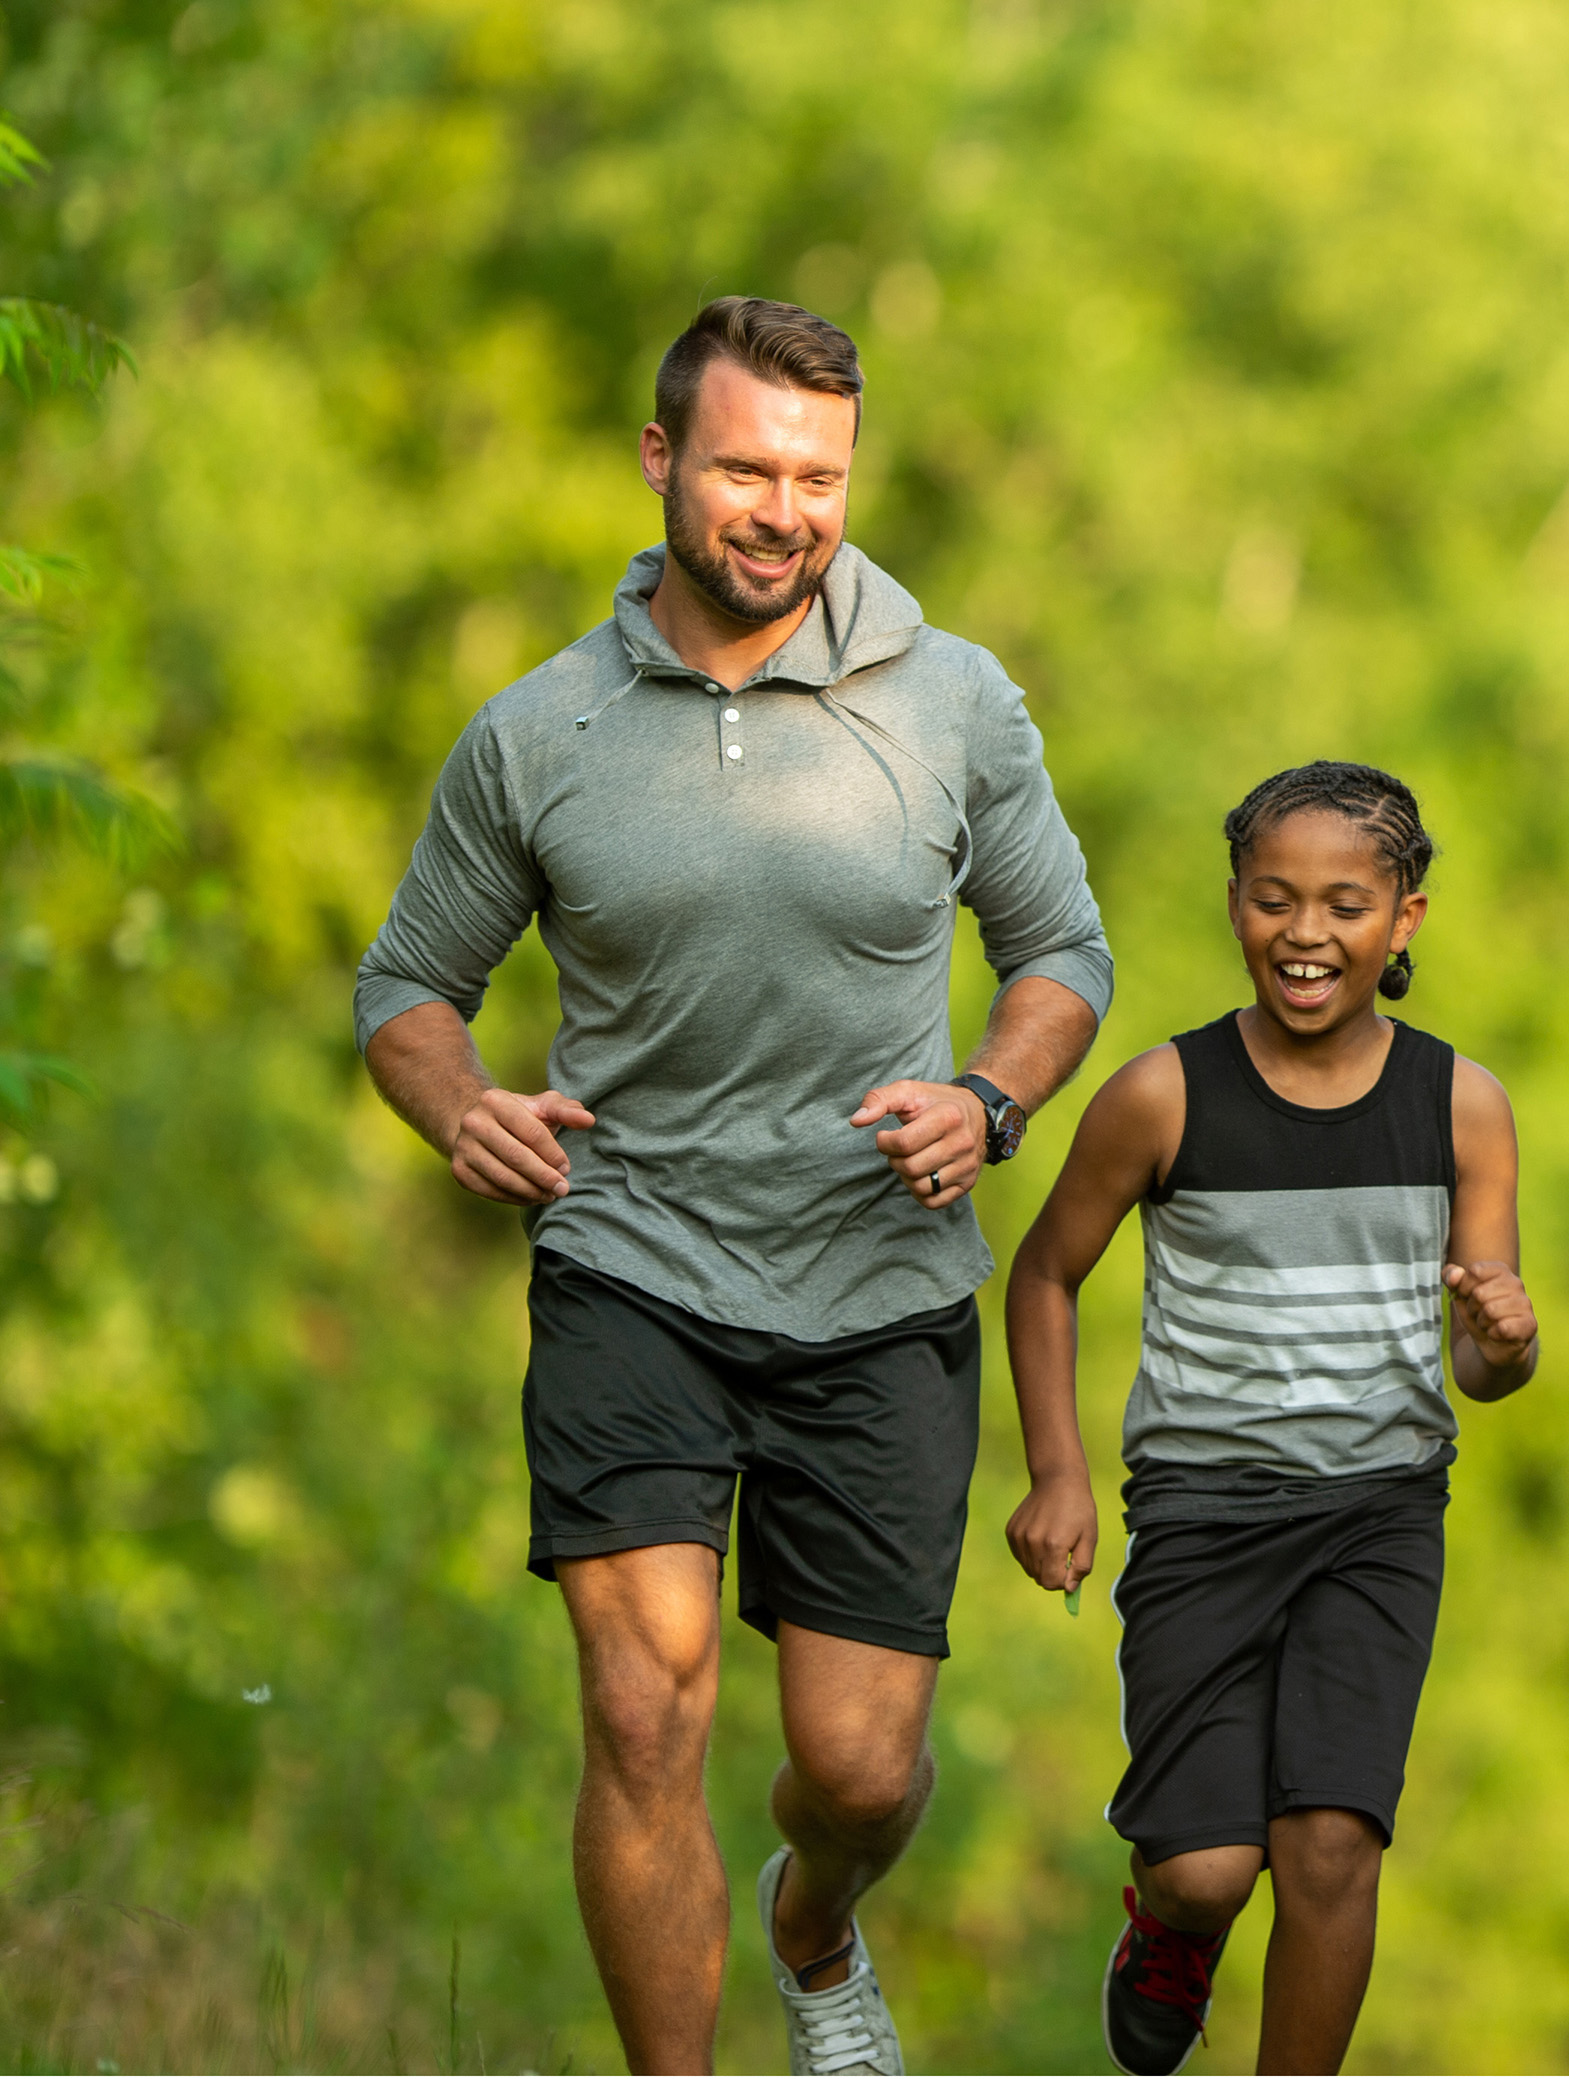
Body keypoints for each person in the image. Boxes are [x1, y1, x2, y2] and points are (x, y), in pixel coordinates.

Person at [353, 298, 1112, 2075]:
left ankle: (814, 1919)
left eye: (820, 477)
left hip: (881, 1282)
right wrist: (459, 1106)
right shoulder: (537, 733)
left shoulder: (955, 699)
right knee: (643, 1703)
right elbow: (406, 988)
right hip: (632, 1260)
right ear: (660, 460)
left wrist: (991, 1101)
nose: (785, 510)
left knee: (858, 1768)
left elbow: (1060, 948)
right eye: (748, 470)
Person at [1002, 760, 1539, 2076]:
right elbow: (1044, 1274)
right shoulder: (1163, 1095)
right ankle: (1170, 1933)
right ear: (1235, 905)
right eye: (1274, 900)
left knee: (1333, 1844)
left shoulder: (1461, 1104)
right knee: (1205, 1867)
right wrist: (1057, 1476)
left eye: (1346, 904)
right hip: (1203, 1514)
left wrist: (1503, 1343)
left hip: (1380, 1514)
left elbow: (1485, 1369)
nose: (1307, 934)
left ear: (1405, 919)